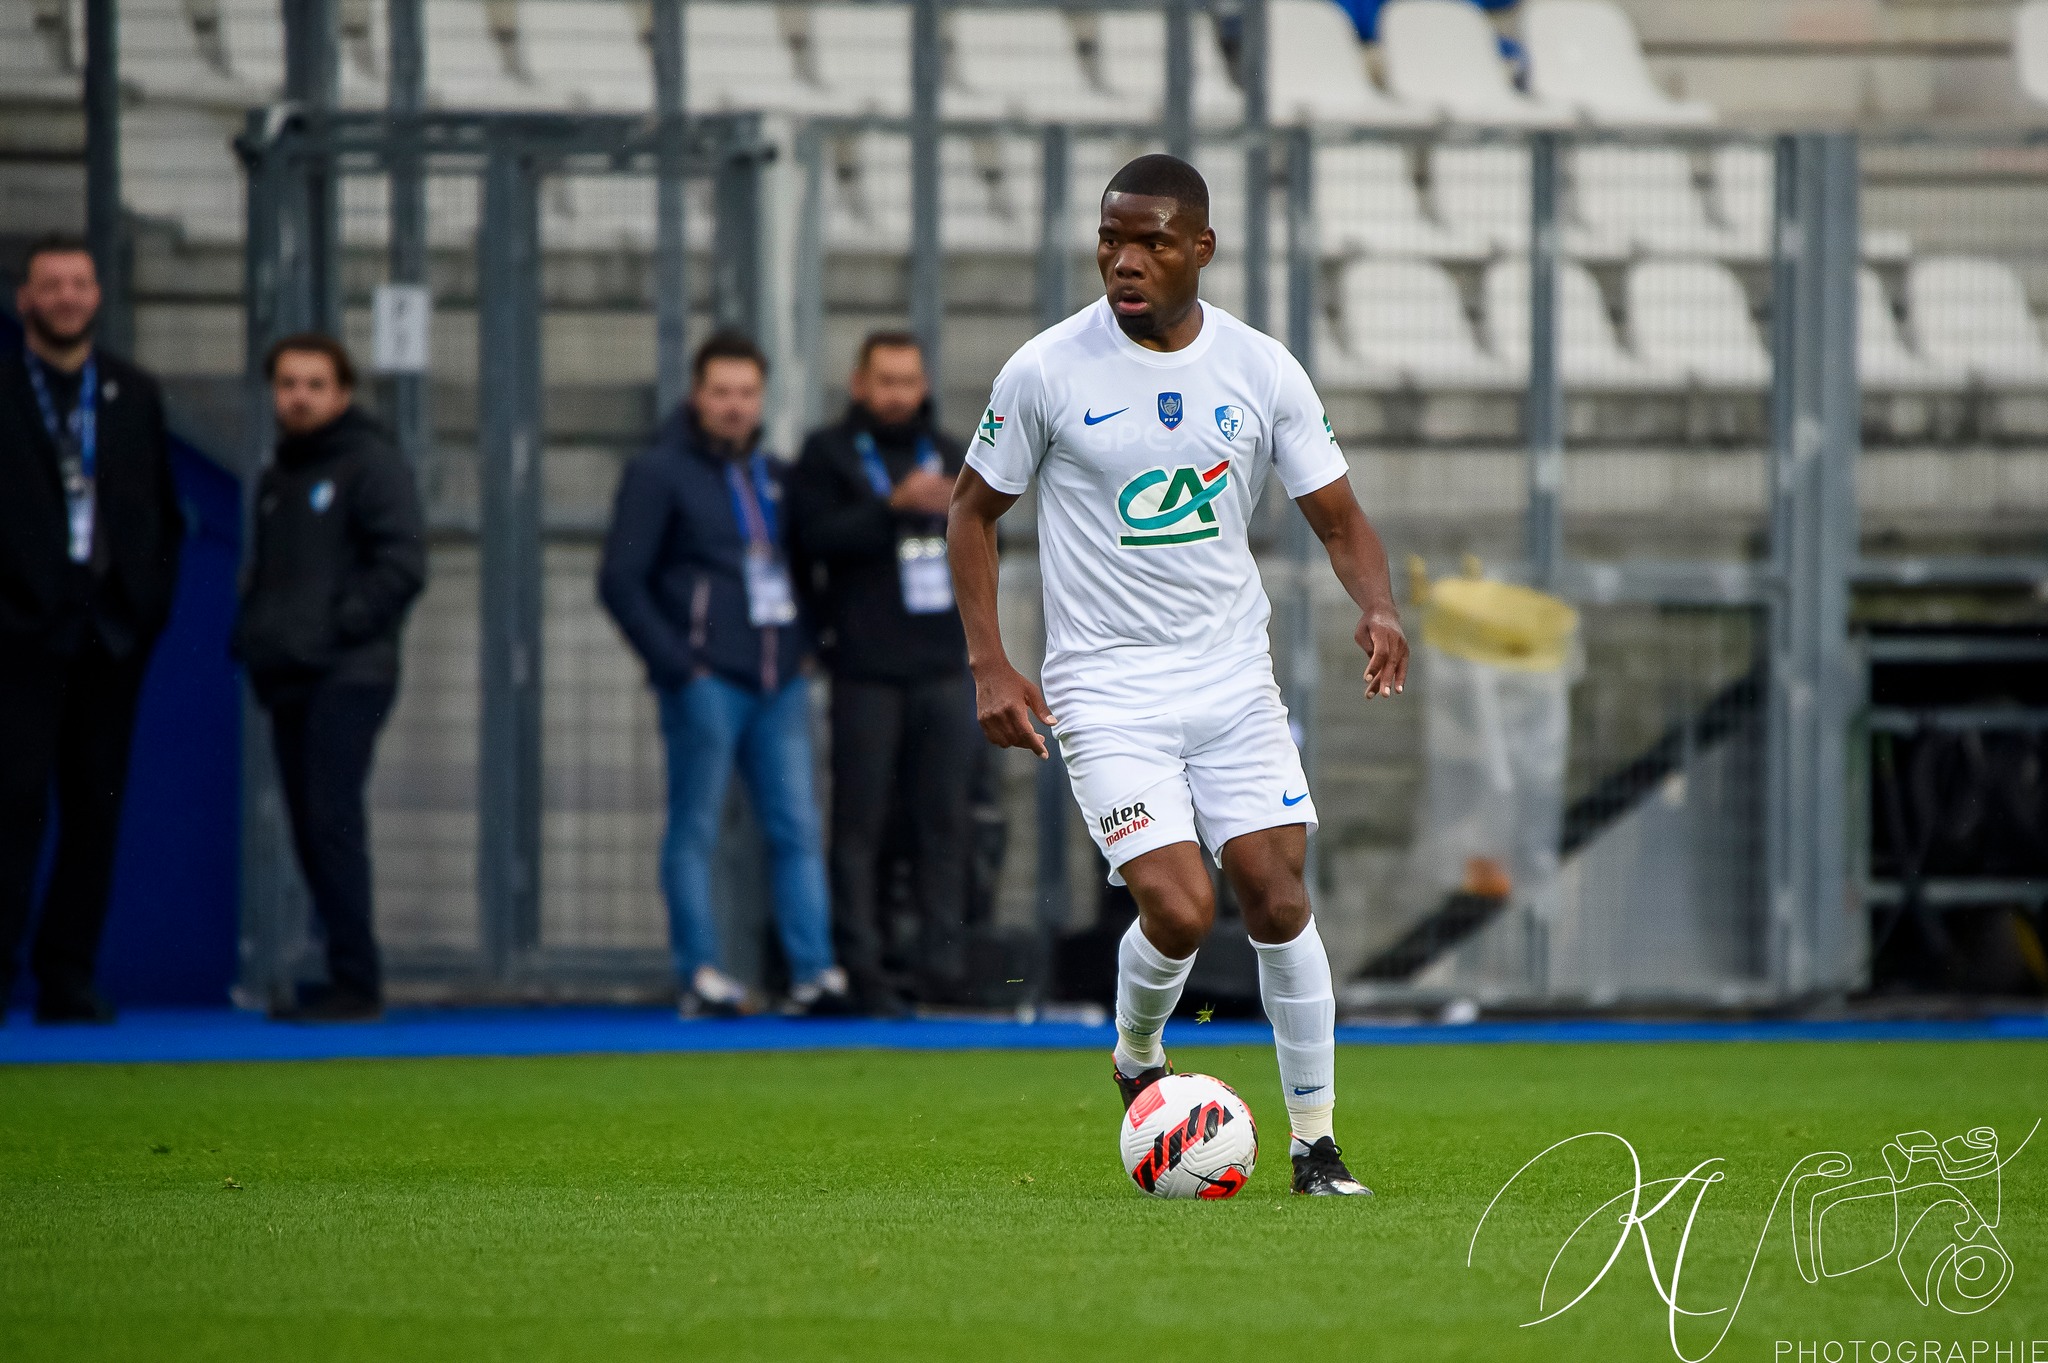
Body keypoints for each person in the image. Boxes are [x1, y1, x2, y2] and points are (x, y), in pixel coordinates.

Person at [947, 155, 1411, 1196]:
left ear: (1198, 248)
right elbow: (971, 512)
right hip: (1105, 688)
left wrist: (1376, 605)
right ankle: (1136, 1056)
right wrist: (990, 663)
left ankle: (1314, 1144)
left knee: (1277, 898)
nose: (1125, 259)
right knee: (1179, 907)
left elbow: (1337, 518)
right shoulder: (1045, 371)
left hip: (1230, 681)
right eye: (1111, 238)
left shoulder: (1260, 368)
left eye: (1152, 240)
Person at [599, 330, 851, 1018]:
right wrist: (680, 665)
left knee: (796, 827)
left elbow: (801, 565)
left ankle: (813, 974)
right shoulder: (658, 473)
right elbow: (620, 580)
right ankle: (701, 973)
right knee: (696, 827)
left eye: (746, 393)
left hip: (780, 682)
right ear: (696, 396)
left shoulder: (775, 473)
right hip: (708, 682)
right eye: (721, 393)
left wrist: (807, 643)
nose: (735, 406)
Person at [0, 235, 185, 1025]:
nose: (68, 296)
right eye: (53, 284)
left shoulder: (131, 393)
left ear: (98, 295)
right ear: (26, 300)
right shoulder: (7, 388)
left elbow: (159, 513)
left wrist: (142, 607)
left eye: (80, 282)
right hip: (17, 638)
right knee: (11, 803)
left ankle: (68, 972)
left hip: (107, 636)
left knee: (95, 806)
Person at [234, 333, 424, 1022]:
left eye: (315, 383)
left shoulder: (371, 464)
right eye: (288, 383)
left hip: (350, 670)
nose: (300, 396)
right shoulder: (277, 475)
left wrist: (339, 626)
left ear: (342, 392)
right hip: (288, 672)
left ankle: (357, 978)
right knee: (311, 822)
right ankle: (343, 968)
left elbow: (403, 563)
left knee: (332, 816)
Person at [787, 333, 976, 1016]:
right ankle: (862, 968)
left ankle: (942, 969)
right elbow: (812, 539)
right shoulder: (827, 454)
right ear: (860, 383)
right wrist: (891, 507)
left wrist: (948, 510)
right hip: (864, 669)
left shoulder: (955, 455)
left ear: (924, 384)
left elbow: (992, 538)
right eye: (885, 381)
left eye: (908, 380)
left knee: (944, 823)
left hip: (944, 670)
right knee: (860, 825)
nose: (898, 394)